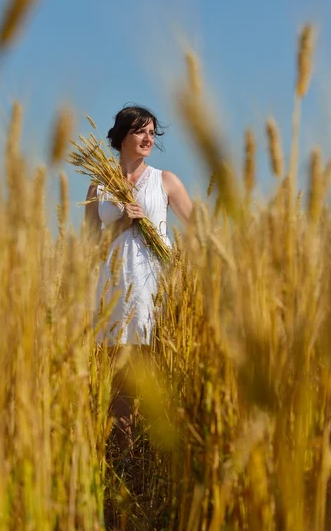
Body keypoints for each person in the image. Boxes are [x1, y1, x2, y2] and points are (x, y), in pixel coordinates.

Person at [85, 104, 192, 455]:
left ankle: (163, 451)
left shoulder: (165, 180)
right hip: (113, 286)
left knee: (154, 366)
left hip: (153, 286)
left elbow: (200, 230)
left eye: (152, 133)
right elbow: (90, 246)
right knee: (118, 377)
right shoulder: (98, 185)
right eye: (140, 132)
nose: (148, 138)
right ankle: (126, 457)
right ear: (121, 137)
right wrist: (122, 224)